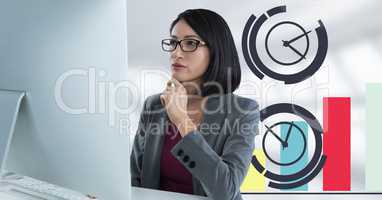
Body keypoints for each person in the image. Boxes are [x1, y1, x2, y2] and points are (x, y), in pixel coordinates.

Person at [130, 8, 259, 200]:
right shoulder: (154, 105)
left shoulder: (243, 111)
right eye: (173, 43)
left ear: (216, 50)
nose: (176, 53)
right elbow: (136, 180)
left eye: (190, 43)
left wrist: (182, 120)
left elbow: (226, 192)